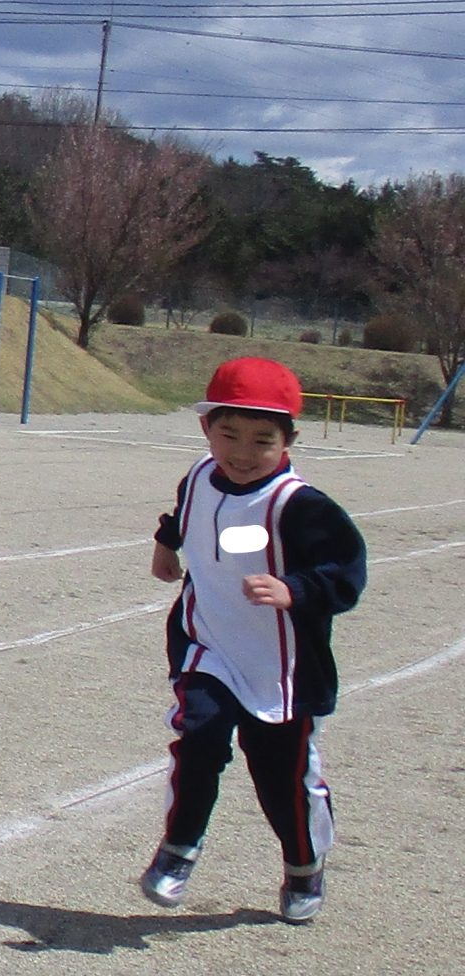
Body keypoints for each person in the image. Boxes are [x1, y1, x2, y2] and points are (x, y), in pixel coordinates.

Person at [140, 356, 366, 924]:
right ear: (206, 429)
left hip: (280, 671)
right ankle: (178, 849)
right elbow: (186, 513)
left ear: (289, 441)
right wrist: (167, 543)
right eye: (229, 435)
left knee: (280, 779)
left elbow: (346, 572)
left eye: (262, 440)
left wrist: (296, 589)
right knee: (198, 738)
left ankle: (303, 866)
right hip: (208, 646)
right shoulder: (200, 473)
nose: (242, 453)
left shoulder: (301, 506)